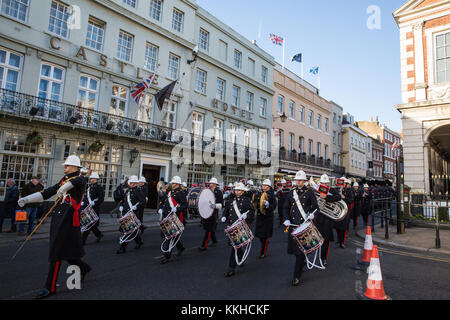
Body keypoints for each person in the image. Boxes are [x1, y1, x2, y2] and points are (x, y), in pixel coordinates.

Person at [18, 155, 91, 299]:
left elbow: (77, 181)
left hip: (69, 218)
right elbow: (49, 191)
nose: (65, 167)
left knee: (56, 251)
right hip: (59, 216)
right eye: (65, 165)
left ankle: (50, 286)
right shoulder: (64, 179)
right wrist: (27, 199)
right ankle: (84, 268)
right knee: (66, 251)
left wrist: (64, 188)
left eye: (67, 165)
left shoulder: (80, 179)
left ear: (75, 167)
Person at [282, 171, 319, 286]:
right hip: (293, 225)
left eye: (300, 180)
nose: (298, 182)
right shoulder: (291, 193)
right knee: (296, 250)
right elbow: (285, 208)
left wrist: (313, 214)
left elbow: (316, 208)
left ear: (304, 181)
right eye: (297, 180)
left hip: (304, 225)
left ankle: (296, 276)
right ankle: (302, 263)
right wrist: (286, 219)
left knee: (300, 251)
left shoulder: (309, 193)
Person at [221, 182, 255, 278]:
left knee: (234, 246)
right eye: (236, 190)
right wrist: (224, 216)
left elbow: (252, 212)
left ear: (243, 191)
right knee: (237, 246)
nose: (237, 191)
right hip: (232, 226)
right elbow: (226, 210)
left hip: (240, 226)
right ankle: (241, 258)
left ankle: (231, 268)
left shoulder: (246, 201)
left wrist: (247, 215)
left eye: (239, 190)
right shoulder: (231, 200)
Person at [158, 176, 188, 264]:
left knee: (169, 237)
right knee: (172, 236)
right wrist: (160, 208)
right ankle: (181, 247)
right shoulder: (169, 192)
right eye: (172, 183)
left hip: (175, 217)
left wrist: (177, 209)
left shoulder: (181, 193)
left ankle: (166, 256)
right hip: (167, 216)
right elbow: (162, 201)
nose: (173, 184)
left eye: (174, 183)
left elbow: (185, 205)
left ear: (178, 184)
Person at [315, 174, 341, 267]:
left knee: (325, 240)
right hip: (317, 218)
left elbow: (339, 197)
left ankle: (323, 258)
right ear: (320, 183)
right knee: (315, 239)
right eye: (323, 183)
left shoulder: (332, 190)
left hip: (327, 218)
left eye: (326, 183)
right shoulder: (315, 190)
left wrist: (326, 197)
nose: (325, 184)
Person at [116, 176, 146, 254]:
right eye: (131, 183)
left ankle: (123, 248)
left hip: (134, 214)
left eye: (134, 183)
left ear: (136, 183)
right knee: (132, 230)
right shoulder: (128, 191)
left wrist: (136, 206)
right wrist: (122, 206)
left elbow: (143, 201)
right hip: (127, 213)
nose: (132, 184)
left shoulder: (138, 191)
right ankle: (139, 242)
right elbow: (124, 200)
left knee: (128, 231)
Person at [254, 179, 277, 259]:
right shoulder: (260, 193)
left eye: (265, 185)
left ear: (268, 187)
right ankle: (264, 244)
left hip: (267, 217)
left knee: (265, 236)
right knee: (260, 235)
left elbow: (274, 206)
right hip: (260, 217)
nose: (263, 187)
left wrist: (268, 205)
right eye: (262, 185)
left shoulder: (272, 195)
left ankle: (263, 252)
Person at [199, 178, 223, 251]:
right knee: (208, 228)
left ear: (215, 185)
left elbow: (221, 204)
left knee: (208, 229)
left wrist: (215, 206)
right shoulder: (207, 191)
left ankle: (204, 245)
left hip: (213, 213)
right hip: (206, 212)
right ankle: (214, 240)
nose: (210, 184)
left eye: (212, 183)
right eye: (210, 183)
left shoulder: (218, 192)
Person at [81, 172, 104, 245]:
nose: (91, 180)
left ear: (97, 179)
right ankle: (99, 234)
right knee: (91, 224)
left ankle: (82, 241)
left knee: (89, 224)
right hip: (87, 208)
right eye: (91, 178)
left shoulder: (99, 187)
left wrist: (95, 203)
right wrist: (83, 203)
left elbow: (101, 198)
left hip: (94, 208)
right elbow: (86, 197)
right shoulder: (89, 187)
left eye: (93, 178)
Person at [335, 178, 353, 249]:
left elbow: (351, 200)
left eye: (344, 183)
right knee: (337, 226)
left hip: (345, 211)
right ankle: (339, 239)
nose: (343, 184)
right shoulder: (336, 190)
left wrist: (344, 197)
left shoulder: (349, 191)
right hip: (337, 211)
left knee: (343, 227)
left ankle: (342, 242)